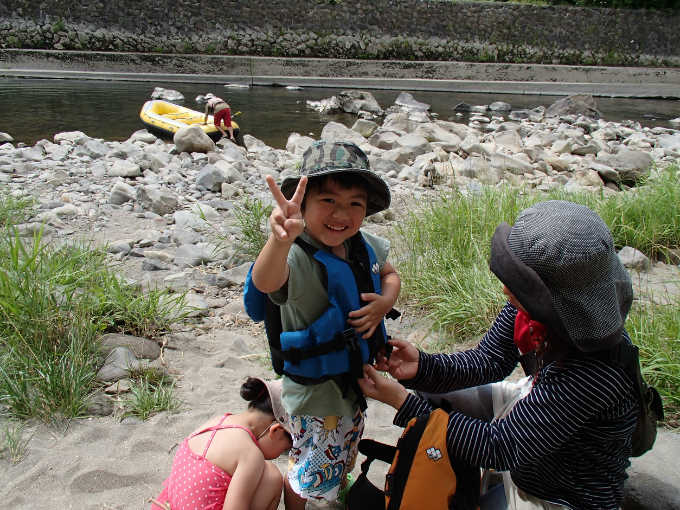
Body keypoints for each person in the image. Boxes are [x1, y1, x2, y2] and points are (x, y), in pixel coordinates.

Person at [359, 200, 640, 510]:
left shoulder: (596, 371)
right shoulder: (537, 309)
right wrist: (422, 367)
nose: (507, 289)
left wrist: (402, 403)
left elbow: (500, 446)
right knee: (428, 389)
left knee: (422, 408)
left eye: (520, 283)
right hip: (531, 413)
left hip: (559, 494)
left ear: (552, 299)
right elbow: (488, 361)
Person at [250, 140, 401, 510]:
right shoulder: (296, 257)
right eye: (328, 201)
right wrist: (277, 239)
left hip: (349, 384)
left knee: (335, 457)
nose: (341, 214)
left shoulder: (362, 245)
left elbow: (391, 274)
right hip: (317, 397)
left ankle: (330, 491)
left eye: (355, 204)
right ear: (302, 205)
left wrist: (384, 303)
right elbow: (267, 283)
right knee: (308, 470)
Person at [150, 377, 293, 510]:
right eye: (286, 448)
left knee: (265, 471)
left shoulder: (218, 421)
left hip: (169, 505)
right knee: (272, 477)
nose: (282, 453)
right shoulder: (250, 454)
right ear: (276, 430)